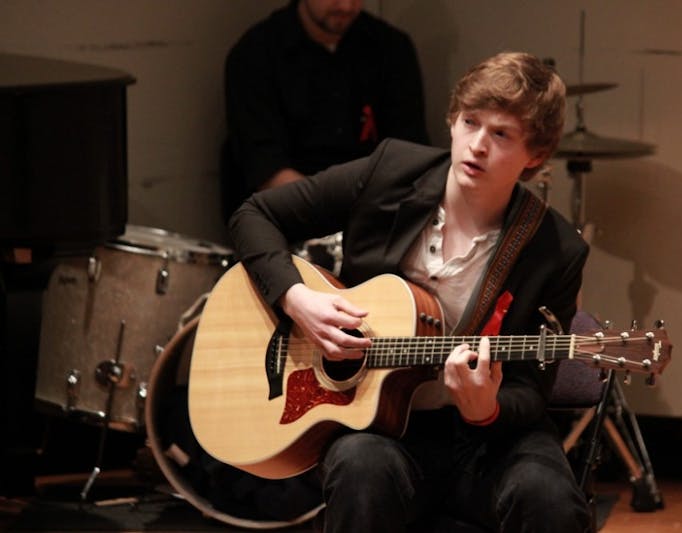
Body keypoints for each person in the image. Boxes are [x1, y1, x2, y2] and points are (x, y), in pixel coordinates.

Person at [229, 52, 591, 532]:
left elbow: (531, 391)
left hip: (490, 441)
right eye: (470, 122)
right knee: (361, 467)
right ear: (453, 121)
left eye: (501, 134)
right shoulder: (391, 172)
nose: (477, 145)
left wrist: (487, 409)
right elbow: (255, 215)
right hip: (378, 426)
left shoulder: (556, 250)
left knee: (548, 495)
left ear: (536, 156)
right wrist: (296, 298)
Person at [221, 0, 430, 220]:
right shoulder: (255, 54)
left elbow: (409, 157)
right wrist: (339, 219)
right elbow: (267, 171)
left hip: (375, 214)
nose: (346, 6)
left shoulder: (391, 47)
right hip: (287, 216)